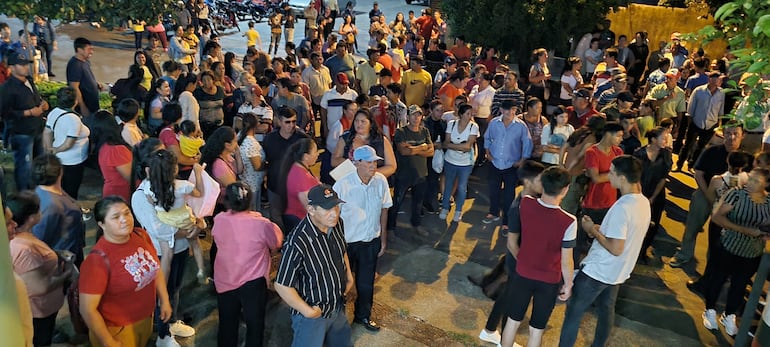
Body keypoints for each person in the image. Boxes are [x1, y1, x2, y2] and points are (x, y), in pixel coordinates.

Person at [558, 155, 651, 347]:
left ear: (623, 178)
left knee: (573, 312)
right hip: (618, 272)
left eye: (612, 172)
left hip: (598, 271)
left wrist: (591, 230)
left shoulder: (622, 207)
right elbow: (624, 235)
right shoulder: (642, 202)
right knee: (606, 311)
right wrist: (601, 229)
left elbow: (616, 248)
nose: (608, 175)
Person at [79, 197, 172, 347]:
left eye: (127, 213)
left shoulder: (140, 235)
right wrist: (107, 340)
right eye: (116, 217)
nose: (125, 220)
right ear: (101, 224)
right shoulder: (97, 261)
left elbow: (155, 268)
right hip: (117, 329)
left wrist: (164, 299)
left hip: (145, 319)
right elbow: (87, 309)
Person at [500, 166, 575, 347]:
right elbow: (567, 260)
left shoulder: (526, 203)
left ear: (542, 184)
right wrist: (569, 283)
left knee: (513, 321)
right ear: (565, 189)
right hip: (549, 280)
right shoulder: (569, 221)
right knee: (536, 329)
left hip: (523, 272)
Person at [275, 184, 355, 347]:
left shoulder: (337, 224)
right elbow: (282, 284)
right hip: (313, 316)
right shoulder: (297, 242)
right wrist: (308, 312)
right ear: (311, 210)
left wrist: (349, 276)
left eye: (336, 207)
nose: (334, 214)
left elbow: (341, 250)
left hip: (337, 305)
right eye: (327, 209)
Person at [478, 160, 546, 345]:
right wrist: (526, 265)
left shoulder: (527, 200)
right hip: (519, 260)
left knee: (507, 295)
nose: (544, 183)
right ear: (528, 181)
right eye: (541, 179)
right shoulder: (522, 205)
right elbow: (512, 243)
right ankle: (504, 341)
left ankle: (490, 330)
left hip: (517, 260)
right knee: (514, 302)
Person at [212, 182, 282, 347]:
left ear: (227, 201)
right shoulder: (262, 223)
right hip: (253, 283)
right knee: (255, 325)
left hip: (225, 279)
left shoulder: (219, 219)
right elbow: (276, 242)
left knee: (227, 325)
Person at [702, 168, 770, 336]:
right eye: (750, 179)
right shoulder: (736, 193)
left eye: (756, 181)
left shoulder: (768, 201)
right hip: (729, 245)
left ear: (766, 184)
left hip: (752, 252)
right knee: (718, 278)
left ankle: (729, 314)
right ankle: (709, 309)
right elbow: (717, 216)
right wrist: (743, 229)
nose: (750, 183)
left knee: (740, 285)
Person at [333, 145, 393, 331]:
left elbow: (384, 209)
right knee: (341, 284)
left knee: (366, 284)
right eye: (368, 162)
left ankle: (363, 316)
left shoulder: (381, 181)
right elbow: (332, 217)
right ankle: (337, 321)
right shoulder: (342, 186)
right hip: (347, 244)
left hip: (370, 242)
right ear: (356, 163)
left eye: (375, 161)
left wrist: (382, 238)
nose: (373, 166)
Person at [670, 122, 746, 268]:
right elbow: (699, 174)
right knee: (692, 226)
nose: (731, 137)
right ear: (723, 134)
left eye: (735, 134)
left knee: (719, 235)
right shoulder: (711, 151)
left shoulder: (745, 158)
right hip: (705, 192)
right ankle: (684, 254)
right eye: (728, 133)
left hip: (728, 201)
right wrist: (708, 195)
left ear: (743, 135)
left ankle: (713, 265)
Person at [8, 191, 74, 347]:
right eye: (39, 209)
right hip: (38, 311)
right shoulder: (24, 249)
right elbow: (40, 287)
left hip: (40, 308)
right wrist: (67, 274)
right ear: (31, 218)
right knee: (40, 340)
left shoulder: (22, 238)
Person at [144, 150, 208, 286]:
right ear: (175, 169)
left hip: (165, 219)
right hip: (184, 219)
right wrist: (197, 173)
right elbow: (200, 193)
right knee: (195, 243)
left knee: (166, 255)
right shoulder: (183, 185)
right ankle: (201, 270)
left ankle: (162, 289)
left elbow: (151, 202)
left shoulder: (148, 187)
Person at [0, 52, 49, 191]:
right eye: (21, 65)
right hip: (22, 133)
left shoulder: (29, 80)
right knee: (24, 166)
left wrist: (42, 103)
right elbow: (4, 113)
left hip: (37, 129)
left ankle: (38, 190)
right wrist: (28, 113)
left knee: (39, 162)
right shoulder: (7, 88)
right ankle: (24, 195)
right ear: (12, 67)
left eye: (26, 64)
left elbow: (35, 98)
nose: (25, 67)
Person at [482, 100, 533, 230]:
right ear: (501, 110)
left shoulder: (521, 126)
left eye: (513, 110)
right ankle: (493, 213)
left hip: (512, 165)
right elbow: (487, 138)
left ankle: (506, 221)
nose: (510, 112)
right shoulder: (494, 123)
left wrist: (522, 160)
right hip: (495, 163)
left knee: (509, 195)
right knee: (493, 191)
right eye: (507, 110)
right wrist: (488, 153)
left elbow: (527, 143)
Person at [388, 105, 434, 235]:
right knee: (396, 202)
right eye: (413, 115)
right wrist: (422, 147)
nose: (416, 117)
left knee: (418, 203)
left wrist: (413, 149)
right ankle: (390, 228)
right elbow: (403, 151)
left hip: (421, 174)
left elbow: (431, 152)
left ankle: (416, 225)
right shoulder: (401, 132)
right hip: (403, 175)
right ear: (407, 117)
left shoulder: (425, 131)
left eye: (418, 115)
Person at [264, 107, 310, 230]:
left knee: (296, 217)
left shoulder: (302, 139)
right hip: (275, 184)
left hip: (296, 187)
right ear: (279, 121)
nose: (291, 125)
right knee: (276, 216)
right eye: (287, 122)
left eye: (294, 122)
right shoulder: (270, 138)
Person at [43, 86, 90, 199]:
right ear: (75, 101)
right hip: (73, 161)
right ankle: (69, 208)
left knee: (61, 186)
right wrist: (56, 149)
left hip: (59, 158)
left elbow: (47, 132)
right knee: (71, 189)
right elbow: (69, 143)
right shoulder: (74, 120)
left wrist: (50, 149)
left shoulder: (54, 112)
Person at [634, 127, 673, 263]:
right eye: (663, 137)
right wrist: (640, 195)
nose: (666, 140)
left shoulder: (666, 154)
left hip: (656, 195)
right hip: (639, 193)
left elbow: (663, 178)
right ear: (653, 139)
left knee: (653, 224)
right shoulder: (639, 154)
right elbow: (635, 176)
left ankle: (643, 250)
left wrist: (652, 198)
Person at [676, 71, 725, 172]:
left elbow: (721, 109)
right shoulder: (699, 91)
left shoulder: (721, 93)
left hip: (711, 124)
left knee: (701, 147)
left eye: (718, 80)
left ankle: (691, 165)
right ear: (709, 79)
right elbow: (690, 108)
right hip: (696, 121)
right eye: (715, 79)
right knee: (688, 145)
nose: (717, 82)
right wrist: (690, 122)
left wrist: (719, 125)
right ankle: (679, 165)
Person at [331, 108, 397, 178]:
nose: (359, 124)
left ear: (371, 124)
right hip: (350, 180)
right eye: (356, 121)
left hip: (375, 181)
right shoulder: (345, 138)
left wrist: (372, 174)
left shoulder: (382, 140)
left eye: (363, 121)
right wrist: (352, 165)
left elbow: (392, 166)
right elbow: (334, 160)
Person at [440, 103, 479, 222]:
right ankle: (445, 207)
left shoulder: (474, 127)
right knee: (448, 185)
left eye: (471, 114)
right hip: (450, 160)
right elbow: (445, 143)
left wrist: (453, 145)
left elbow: (468, 147)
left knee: (462, 187)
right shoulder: (451, 125)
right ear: (461, 114)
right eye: (467, 113)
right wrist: (459, 146)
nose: (470, 116)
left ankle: (458, 210)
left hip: (465, 163)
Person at [277, 138, 321, 233]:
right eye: (315, 152)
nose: (318, 154)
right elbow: (308, 207)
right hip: (299, 219)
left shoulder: (297, 167)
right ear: (305, 156)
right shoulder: (300, 177)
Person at [90, 110, 134, 202]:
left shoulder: (103, 146)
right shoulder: (117, 150)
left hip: (111, 193)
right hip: (121, 193)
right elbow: (131, 177)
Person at [238, 114, 267, 211]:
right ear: (256, 125)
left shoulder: (240, 136)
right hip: (252, 185)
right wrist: (267, 164)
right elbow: (257, 166)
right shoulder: (251, 143)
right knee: (253, 210)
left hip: (244, 180)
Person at [66, 37, 100, 117]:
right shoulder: (75, 65)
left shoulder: (85, 61)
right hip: (85, 106)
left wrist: (96, 84)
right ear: (79, 50)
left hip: (92, 104)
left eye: (92, 49)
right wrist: (83, 107)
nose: (91, 52)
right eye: (88, 49)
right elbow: (74, 87)